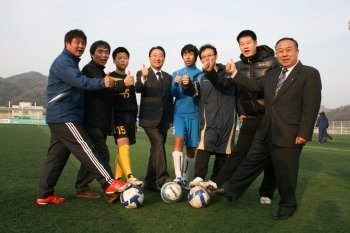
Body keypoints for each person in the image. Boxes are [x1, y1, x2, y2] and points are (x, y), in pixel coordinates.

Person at [212, 37, 322, 220]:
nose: (284, 54)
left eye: (288, 50)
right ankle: (231, 189)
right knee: (251, 161)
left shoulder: (309, 73)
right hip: (266, 129)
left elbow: (311, 106)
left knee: (285, 171)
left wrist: (304, 132)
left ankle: (288, 205)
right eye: (280, 51)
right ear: (276, 53)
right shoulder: (273, 73)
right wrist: (234, 74)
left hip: (290, 132)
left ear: (297, 51)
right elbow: (254, 86)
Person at [36, 29, 129, 205]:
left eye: (83, 43)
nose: (80, 46)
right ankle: (108, 183)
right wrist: (103, 82)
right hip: (65, 116)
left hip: (61, 116)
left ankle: (44, 194)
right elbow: (80, 81)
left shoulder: (71, 62)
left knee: (56, 157)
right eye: (76, 42)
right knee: (87, 149)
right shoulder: (64, 62)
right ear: (67, 43)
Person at [196, 30, 278, 205]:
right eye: (242, 44)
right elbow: (226, 85)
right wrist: (210, 73)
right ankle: (218, 183)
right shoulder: (237, 66)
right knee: (239, 153)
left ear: (256, 42)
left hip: (271, 116)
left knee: (271, 156)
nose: (245, 46)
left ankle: (266, 192)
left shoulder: (272, 62)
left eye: (248, 42)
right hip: (250, 116)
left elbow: (270, 88)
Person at [182, 44, 237, 184]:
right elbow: (192, 91)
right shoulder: (199, 77)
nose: (207, 59)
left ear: (216, 56)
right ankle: (199, 177)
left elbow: (223, 84)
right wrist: (186, 85)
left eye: (210, 55)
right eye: (204, 57)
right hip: (209, 122)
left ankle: (215, 181)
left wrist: (211, 72)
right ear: (201, 60)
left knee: (224, 151)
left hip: (228, 122)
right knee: (204, 146)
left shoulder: (228, 72)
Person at [74, 40, 115, 200]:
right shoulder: (89, 70)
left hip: (101, 123)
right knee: (102, 155)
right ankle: (110, 189)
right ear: (92, 54)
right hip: (92, 121)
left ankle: (81, 187)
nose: (104, 55)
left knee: (93, 157)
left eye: (106, 52)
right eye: (100, 52)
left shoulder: (102, 72)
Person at [134, 46, 173, 191]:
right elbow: (137, 88)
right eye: (154, 55)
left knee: (156, 148)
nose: (157, 58)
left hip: (163, 120)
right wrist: (143, 78)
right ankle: (162, 178)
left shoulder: (168, 77)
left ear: (164, 58)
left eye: (161, 55)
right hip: (149, 119)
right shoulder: (142, 73)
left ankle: (150, 181)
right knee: (158, 143)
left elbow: (169, 100)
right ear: (149, 58)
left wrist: (170, 119)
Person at [110, 47, 143, 187]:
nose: (123, 60)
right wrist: (123, 85)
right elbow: (109, 96)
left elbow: (132, 100)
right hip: (117, 116)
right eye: (119, 58)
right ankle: (129, 176)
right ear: (114, 60)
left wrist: (135, 118)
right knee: (123, 143)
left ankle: (117, 179)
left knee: (123, 147)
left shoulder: (129, 77)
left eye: (125, 58)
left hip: (130, 117)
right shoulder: (110, 77)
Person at [171, 44, 202, 190]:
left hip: (194, 114)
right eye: (185, 54)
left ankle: (185, 178)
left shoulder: (200, 74)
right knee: (178, 141)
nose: (187, 57)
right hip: (179, 113)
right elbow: (173, 93)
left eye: (190, 54)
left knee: (191, 149)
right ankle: (177, 177)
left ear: (195, 56)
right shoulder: (176, 73)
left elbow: (201, 95)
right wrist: (175, 84)